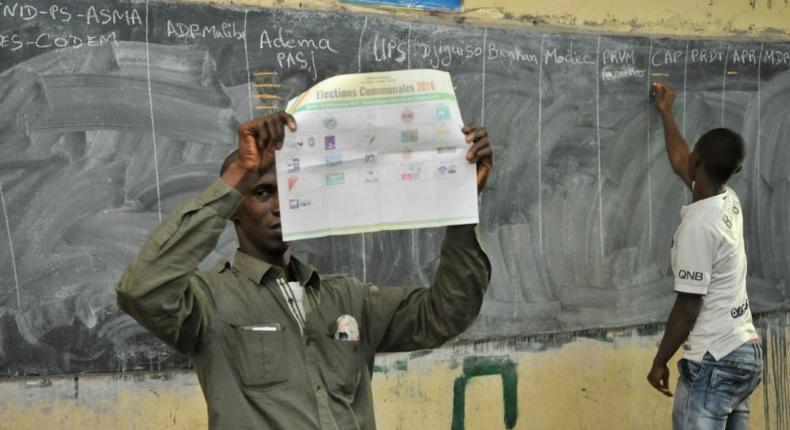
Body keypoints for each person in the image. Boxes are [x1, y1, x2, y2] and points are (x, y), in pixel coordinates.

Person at [116, 111, 493, 429]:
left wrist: (461, 205)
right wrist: (237, 176)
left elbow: (445, 314)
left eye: (290, 190)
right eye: (262, 193)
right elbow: (142, 290)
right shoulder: (209, 302)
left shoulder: (349, 297)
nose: (280, 207)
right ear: (233, 206)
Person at [647, 83, 763, 430]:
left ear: (700, 160)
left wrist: (660, 361)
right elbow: (684, 161)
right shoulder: (727, 200)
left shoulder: (699, 227)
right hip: (744, 353)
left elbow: (687, 308)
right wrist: (666, 113)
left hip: (714, 360)